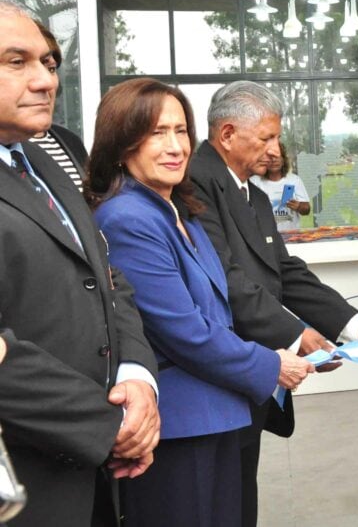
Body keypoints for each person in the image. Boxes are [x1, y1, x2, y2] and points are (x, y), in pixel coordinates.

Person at [88, 78, 313, 526]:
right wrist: (272, 364)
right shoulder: (127, 218)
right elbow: (184, 332)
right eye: (156, 133)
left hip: (219, 414)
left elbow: (220, 305)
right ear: (121, 142)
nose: (175, 146)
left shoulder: (178, 208)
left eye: (180, 131)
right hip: (179, 427)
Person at [188, 81, 358, 527]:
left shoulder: (252, 194)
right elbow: (226, 279)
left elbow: (284, 270)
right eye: (266, 138)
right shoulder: (196, 183)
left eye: (276, 137)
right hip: (222, 369)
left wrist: (351, 322)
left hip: (254, 370)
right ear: (226, 135)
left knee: (241, 490)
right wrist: (297, 337)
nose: (276, 150)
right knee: (220, 499)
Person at [0, 0, 159, 527]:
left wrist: (137, 378)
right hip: (22, 484)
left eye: (47, 62)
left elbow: (105, 278)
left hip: (90, 478)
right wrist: (106, 425)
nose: (46, 81)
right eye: (15, 61)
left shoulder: (46, 159)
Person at [27, 21, 88, 188]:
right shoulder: (11, 152)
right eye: (17, 63)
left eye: (51, 68)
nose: (45, 82)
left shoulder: (69, 141)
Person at [250, 142, 310, 231]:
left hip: (291, 236)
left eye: (277, 156)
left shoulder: (294, 180)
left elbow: (307, 209)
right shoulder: (254, 181)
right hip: (264, 237)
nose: (274, 160)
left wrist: (298, 206)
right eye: (270, 157)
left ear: (283, 160)